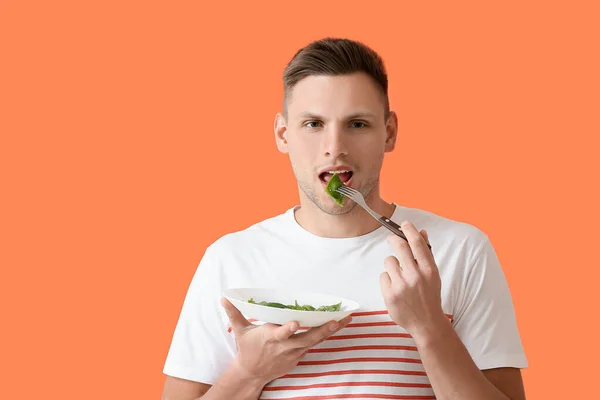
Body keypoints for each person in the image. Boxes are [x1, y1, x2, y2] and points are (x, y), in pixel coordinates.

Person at [161, 37, 527, 400]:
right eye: (313, 124)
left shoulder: (459, 250)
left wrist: (429, 327)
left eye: (357, 124)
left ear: (390, 132)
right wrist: (248, 373)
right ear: (282, 134)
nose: (334, 146)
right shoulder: (231, 259)